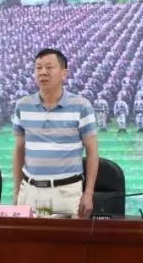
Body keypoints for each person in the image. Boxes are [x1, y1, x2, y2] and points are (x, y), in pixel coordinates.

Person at [12, 49, 99, 218]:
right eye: (38, 68)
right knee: (28, 235)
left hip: (66, 193)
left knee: (64, 236)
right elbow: (19, 150)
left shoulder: (81, 106)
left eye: (49, 67)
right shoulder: (22, 105)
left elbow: (92, 152)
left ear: (64, 73)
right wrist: (17, 190)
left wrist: (88, 193)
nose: (43, 72)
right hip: (31, 192)